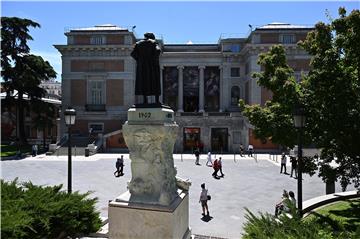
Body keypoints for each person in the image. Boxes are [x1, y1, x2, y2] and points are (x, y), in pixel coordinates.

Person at [131, 32, 161, 105]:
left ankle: (145, 100)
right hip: (152, 65)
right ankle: (157, 101)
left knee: (144, 82)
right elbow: (158, 50)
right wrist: (153, 59)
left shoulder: (138, 44)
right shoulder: (153, 42)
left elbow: (133, 54)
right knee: (155, 82)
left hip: (142, 66)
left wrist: (140, 60)